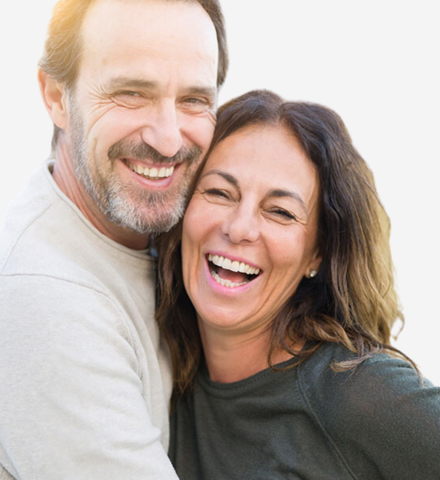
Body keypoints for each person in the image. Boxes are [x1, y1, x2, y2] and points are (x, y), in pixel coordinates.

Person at [156, 90, 440, 479]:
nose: (239, 228)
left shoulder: (357, 392)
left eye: (280, 212)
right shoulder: (155, 369)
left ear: (317, 253)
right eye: (220, 192)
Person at [0, 0, 227, 478]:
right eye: (131, 93)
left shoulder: (175, 242)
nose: (168, 140)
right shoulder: (43, 298)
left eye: (194, 100)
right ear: (57, 96)